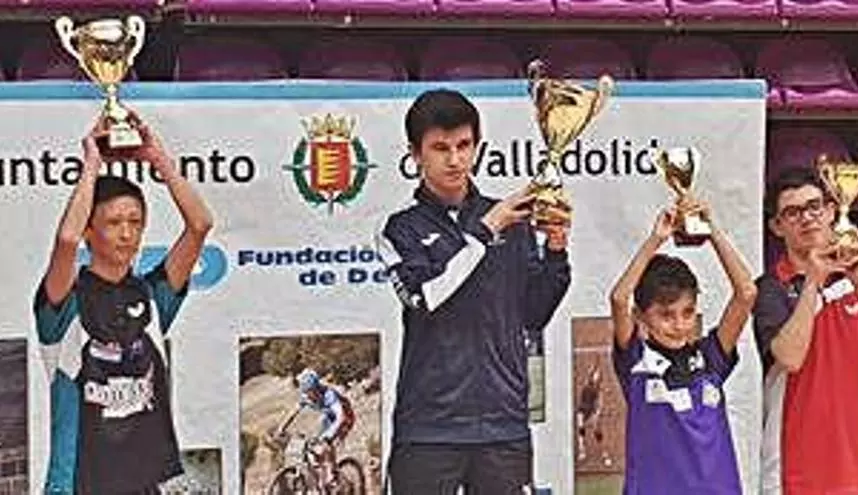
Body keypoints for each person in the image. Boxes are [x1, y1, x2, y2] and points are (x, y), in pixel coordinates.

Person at [375, 89, 572, 494]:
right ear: (415, 154)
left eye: (464, 145)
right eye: (440, 148)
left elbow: (533, 314)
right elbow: (426, 298)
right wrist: (484, 232)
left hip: (503, 425)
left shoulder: (510, 219)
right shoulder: (400, 229)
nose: (455, 159)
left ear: (478, 147)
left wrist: (556, 251)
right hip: (429, 430)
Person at [33, 114, 214, 494]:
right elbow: (66, 241)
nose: (127, 233)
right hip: (79, 486)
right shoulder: (64, 304)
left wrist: (158, 159)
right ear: (90, 229)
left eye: (135, 221)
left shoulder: (151, 296)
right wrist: (92, 163)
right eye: (114, 222)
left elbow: (199, 225)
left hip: (144, 485)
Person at [609, 198, 756, 494]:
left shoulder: (711, 358)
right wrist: (656, 239)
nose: (679, 324)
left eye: (687, 312)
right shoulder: (636, 361)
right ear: (641, 316)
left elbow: (747, 292)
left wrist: (711, 230)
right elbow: (619, 298)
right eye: (666, 315)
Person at [753, 167, 858, 494]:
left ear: (831, 210)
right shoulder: (771, 289)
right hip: (800, 468)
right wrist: (813, 281)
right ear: (776, 226)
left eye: (814, 207)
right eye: (793, 212)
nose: (807, 218)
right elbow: (790, 358)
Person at [271, 367, 355, 488]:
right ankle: (324, 476)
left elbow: (340, 416)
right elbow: (293, 413)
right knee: (316, 446)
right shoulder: (305, 396)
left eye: (310, 391)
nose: (308, 395)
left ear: (316, 388)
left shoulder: (329, 395)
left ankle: (333, 475)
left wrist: (329, 435)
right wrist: (281, 428)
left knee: (326, 444)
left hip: (345, 417)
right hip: (328, 417)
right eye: (305, 391)